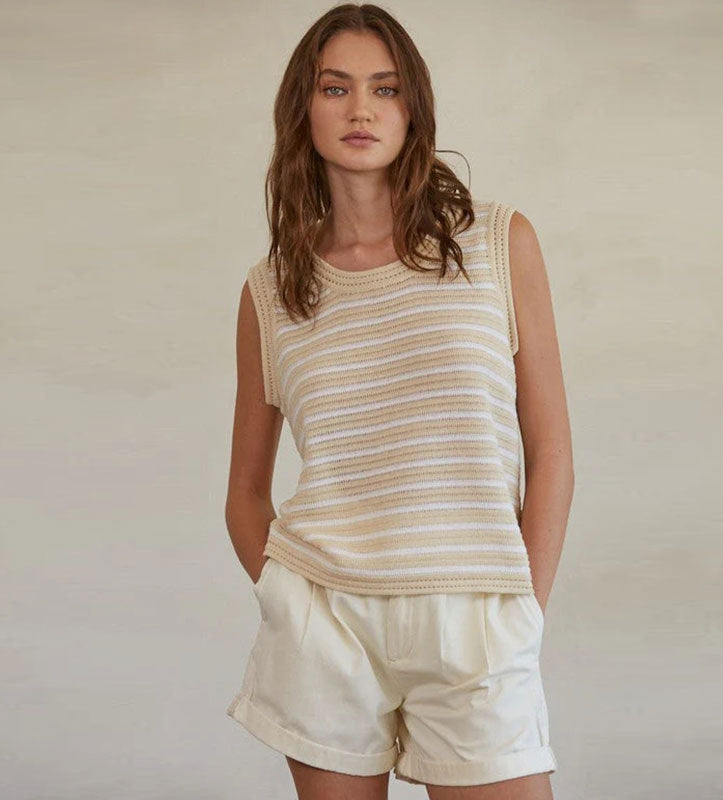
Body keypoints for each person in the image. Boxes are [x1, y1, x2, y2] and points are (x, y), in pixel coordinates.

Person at [224, 4, 573, 798]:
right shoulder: (271, 292)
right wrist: (287, 597)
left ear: (413, 107)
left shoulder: (497, 242)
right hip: (326, 627)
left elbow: (551, 450)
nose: (361, 109)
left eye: (384, 89)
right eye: (336, 87)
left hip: (475, 617)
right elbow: (244, 489)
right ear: (303, 108)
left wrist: (523, 610)